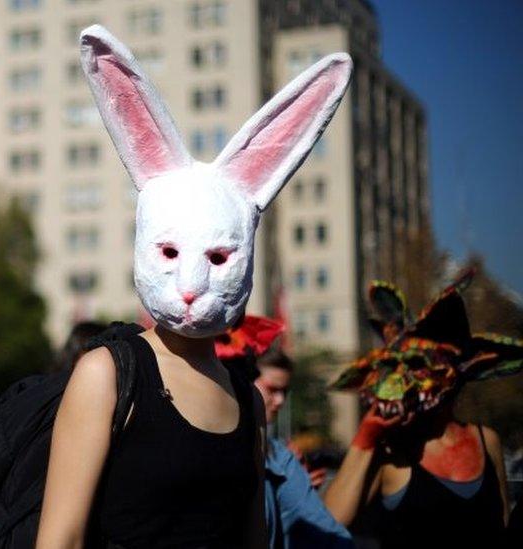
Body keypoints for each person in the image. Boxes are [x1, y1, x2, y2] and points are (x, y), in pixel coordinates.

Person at [36, 24, 350, 548]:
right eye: (170, 253)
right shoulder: (108, 375)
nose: (190, 282)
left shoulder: (247, 402)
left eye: (219, 256)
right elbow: (60, 539)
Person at [324, 272, 522, 548]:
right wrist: (366, 437)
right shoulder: (391, 452)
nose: (406, 378)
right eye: (400, 366)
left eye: (420, 365)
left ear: (456, 373)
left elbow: (502, 526)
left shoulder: (486, 440)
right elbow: (327, 522)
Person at [216, 315, 352, 548]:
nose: (279, 401)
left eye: (285, 391)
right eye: (272, 389)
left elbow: (325, 533)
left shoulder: (280, 458)